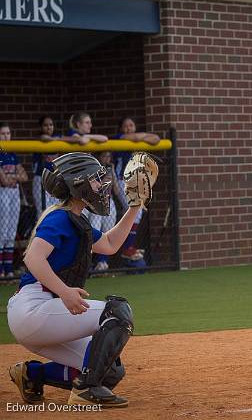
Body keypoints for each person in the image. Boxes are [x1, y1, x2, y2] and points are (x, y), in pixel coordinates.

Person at [6, 152, 146, 407]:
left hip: (44, 313)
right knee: (117, 312)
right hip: (33, 307)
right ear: (77, 183)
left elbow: (111, 244)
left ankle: (31, 374)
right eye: (94, 180)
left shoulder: (76, 220)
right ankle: (85, 389)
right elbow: (33, 258)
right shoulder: (59, 217)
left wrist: (134, 207)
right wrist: (65, 291)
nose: (100, 185)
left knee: (108, 370)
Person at [111, 117, 160, 267]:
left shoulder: (136, 139)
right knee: (134, 210)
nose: (129, 128)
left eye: (131, 125)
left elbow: (156, 139)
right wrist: (140, 138)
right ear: (121, 129)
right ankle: (127, 247)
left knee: (136, 213)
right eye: (125, 126)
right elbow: (135, 137)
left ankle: (128, 247)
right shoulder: (120, 138)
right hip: (121, 180)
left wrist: (140, 137)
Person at [32, 116, 82, 217]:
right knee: (42, 211)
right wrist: (61, 139)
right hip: (40, 179)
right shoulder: (40, 139)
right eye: (45, 125)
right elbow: (45, 138)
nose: (49, 127)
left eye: (51, 125)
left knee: (55, 208)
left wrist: (61, 139)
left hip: (55, 180)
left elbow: (76, 139)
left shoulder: (57, 139)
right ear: (41, 127)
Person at [0, 123, 29, 278]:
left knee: (11, 231)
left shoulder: (12, 154)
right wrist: (13, 178)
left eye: (8, 134)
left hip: (14, 193)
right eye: (3, 134)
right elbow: (3, 181)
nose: (6, 137)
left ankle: (8, 268)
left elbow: (24, 176)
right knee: (2, 231)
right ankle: (1, 270)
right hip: (2, 192)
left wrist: (11, 177)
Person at [86, 152, 120, 271]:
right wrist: (102, 181)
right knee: (95, 231)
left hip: (109, 202)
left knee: (108, 233)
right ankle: (86, 262)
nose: (107, 159)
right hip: (95, 203)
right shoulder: (93, 168)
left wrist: (113, 175)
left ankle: (102, 263)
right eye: (104, 156)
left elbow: (116, 191)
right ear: (99, 157)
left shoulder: (110, 169)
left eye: (109, 156)